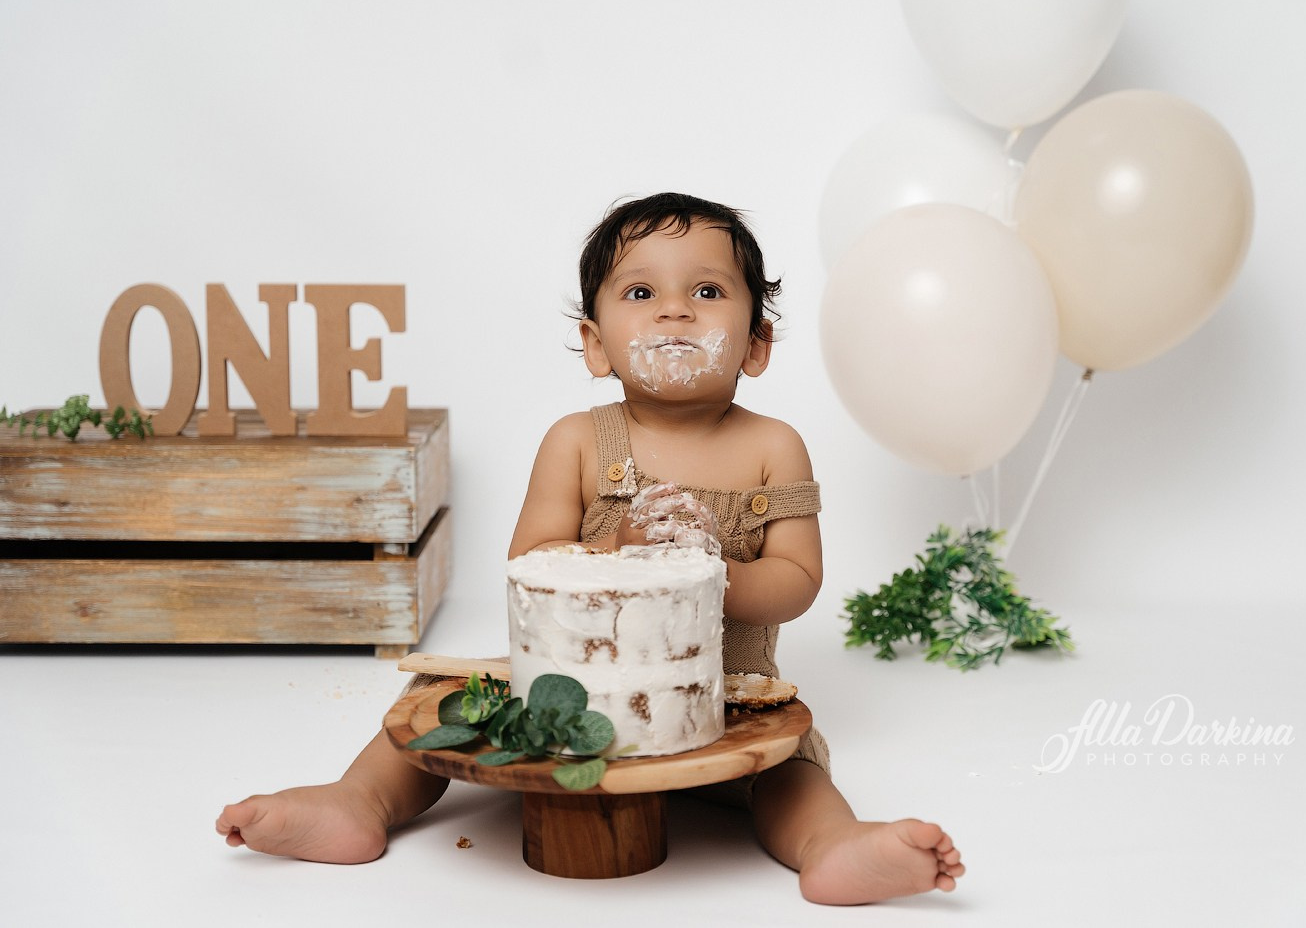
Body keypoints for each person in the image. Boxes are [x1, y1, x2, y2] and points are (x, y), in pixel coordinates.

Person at [216, 192, 964, 905]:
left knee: (791, 774)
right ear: (596, 344)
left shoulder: (773, 446)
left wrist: (708, 574)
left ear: (757, 342)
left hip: (723, 697)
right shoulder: (576, 441)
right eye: (641, 293)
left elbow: (798, 579)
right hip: (567, 695)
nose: (674, 307)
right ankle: (360, 801)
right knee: (435, 709)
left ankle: (830, 846)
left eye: (707, 290)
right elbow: (532, 559)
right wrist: (622, 552)